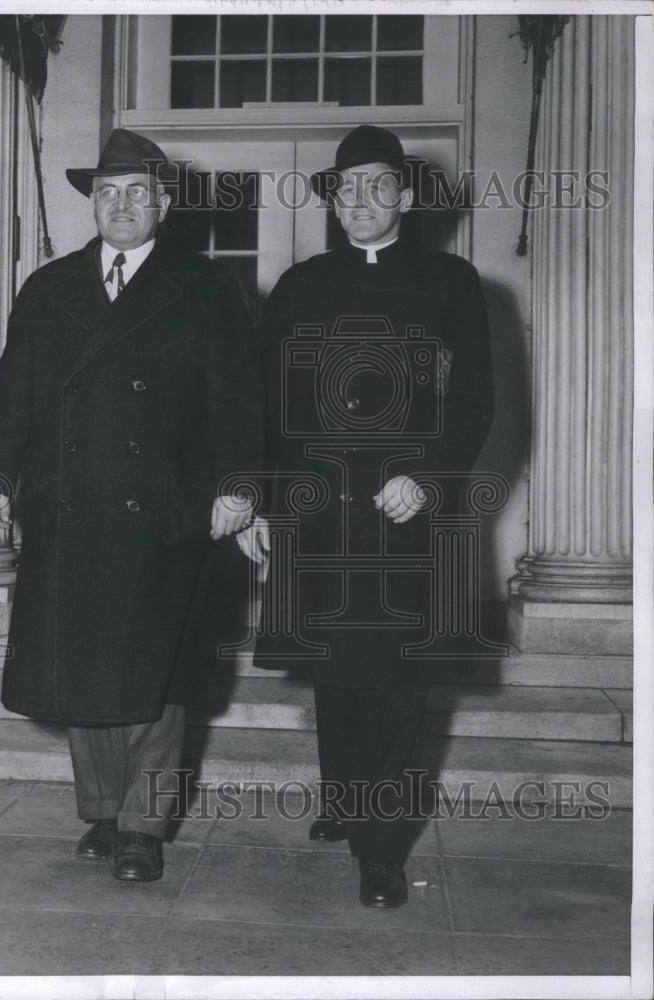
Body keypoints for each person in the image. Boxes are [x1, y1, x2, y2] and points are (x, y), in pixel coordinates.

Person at [0, 128, 263, 883]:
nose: (121, 205)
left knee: (153, 675)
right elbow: (13, 398)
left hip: (165, 509)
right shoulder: (48, 286)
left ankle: (144, 825)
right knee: (84, 666)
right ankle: (102, 807)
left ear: (163, 204)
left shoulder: (204, 288)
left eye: (137, 193)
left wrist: (238, 484)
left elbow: (239, 402)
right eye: (107, 193)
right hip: (69, 504)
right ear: (92, 204)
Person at [241, 125, 494, 908]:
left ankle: (380, 851)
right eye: (345, 188)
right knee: (337, 674)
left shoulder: (452, 281)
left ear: (407, 197)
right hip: (318, 511)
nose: (359, 202)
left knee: (393, 682)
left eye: (378, 186)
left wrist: (430, 477)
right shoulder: (302, 284)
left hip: (405, 513)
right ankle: (345, 799)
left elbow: (477, 399)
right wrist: (256, 497)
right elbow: (264, 406)